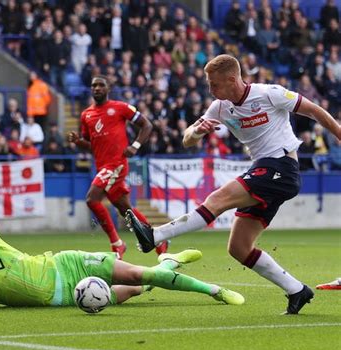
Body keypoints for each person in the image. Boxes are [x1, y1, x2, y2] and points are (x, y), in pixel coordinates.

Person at [0, 141, 245, 308]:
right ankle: (170, 262)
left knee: (140, 277)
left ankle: (213, 291)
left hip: (68, 263)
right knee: (136, 291)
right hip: (66, 297)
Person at [126, 54, 341, 315]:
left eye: (214, 84)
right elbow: (186, 140)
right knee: (238, 248)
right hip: (263, 171)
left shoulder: (269, 93)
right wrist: (197, 131)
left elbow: (314, 111)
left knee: (218, 199)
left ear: (231, 80)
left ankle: (155, 235)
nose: (210, 90)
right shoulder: (219, 107)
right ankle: (297, 290)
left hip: (282, 166)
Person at [68, 75, 168, 260]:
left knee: (91, 199)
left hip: (117, 163)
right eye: (93, 85)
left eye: (100, 85)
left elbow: (146, 124)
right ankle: (159, 240)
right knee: (125, 208)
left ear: (108, 88)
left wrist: (135, 146)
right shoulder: (86, 115)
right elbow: (92, 146)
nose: (96, 88)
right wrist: (78, 141)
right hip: (102, 166)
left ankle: (117, 244)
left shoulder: (120, 107)